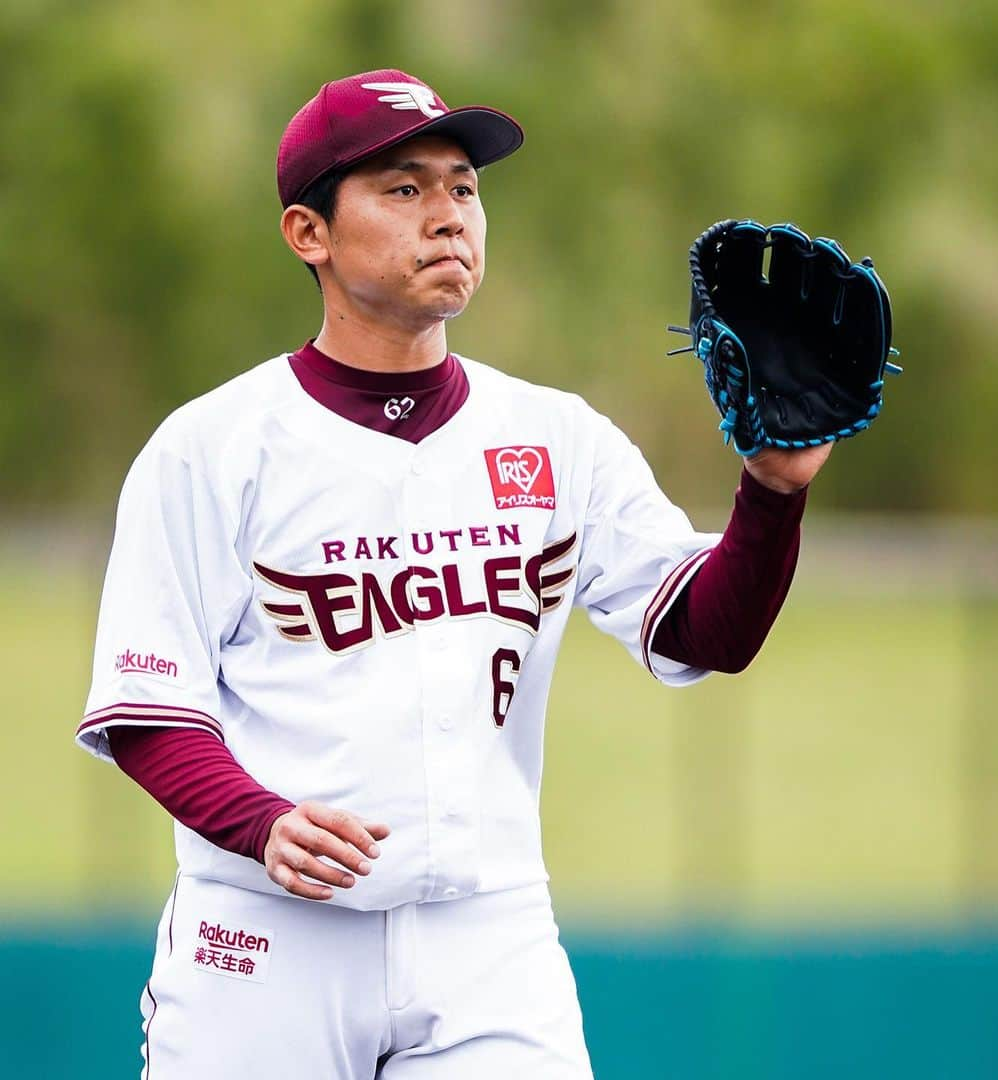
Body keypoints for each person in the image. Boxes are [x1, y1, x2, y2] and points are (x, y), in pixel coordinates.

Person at [77, 69, 831, 1079]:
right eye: (403, 189)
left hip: (489, 933)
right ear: (309, 233)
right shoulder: (214, 447)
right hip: (268, 937)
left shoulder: (556, 437)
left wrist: (773, 490)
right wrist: (263, 826)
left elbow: (707, 631)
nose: (447, 215)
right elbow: (148, 708)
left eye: (463, 189)